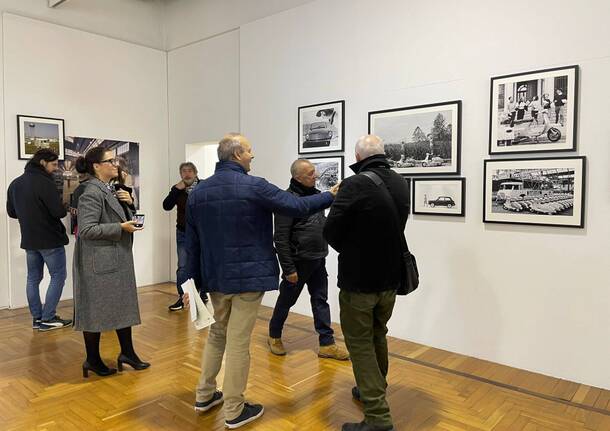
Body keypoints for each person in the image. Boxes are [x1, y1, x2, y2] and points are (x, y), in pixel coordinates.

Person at [186, 133, 337, 429]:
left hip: (215, 277)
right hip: (247, 279)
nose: (253, 156)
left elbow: (191, 244)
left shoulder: (199, 191)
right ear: (238, 154)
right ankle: (234, 409)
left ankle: (204, 395)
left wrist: (189, 283)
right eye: (250, 151)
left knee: (217, 335)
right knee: (239, 343)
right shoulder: (253, 185)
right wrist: (331, 195)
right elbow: (297, 207)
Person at [324, 135, 410, 431]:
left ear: (358, 158)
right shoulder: (400, 181)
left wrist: (354, 247)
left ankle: (378, 418)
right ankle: (373, 388)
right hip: (390, 278)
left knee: (359, 344)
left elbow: (331, 231)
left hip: (359, 281)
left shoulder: (354, 184)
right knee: (377, 334)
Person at [73, 147, 149, 378]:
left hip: (114, 258)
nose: (116, 164)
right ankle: (92, 360)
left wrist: (130, 202)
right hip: (99, 262)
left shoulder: (112, 189)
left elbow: (122, 217)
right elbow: (86, 229)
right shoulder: (91, 193)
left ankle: (127, 353)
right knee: (94, 310)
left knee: (121, 305)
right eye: (110, 161)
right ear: (96, 166)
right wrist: (120, 228)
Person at [268, 159, 349, 360]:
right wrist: (288, 269)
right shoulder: (286, 200)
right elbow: (280, 237)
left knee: (321, 300)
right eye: (311, 174)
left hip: (318, 259)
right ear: (297, 177)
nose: (316, 176)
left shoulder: (316, 196)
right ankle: (274, 335)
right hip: (297, 262)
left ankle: (327, 344)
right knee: (286, 300)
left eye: (315, 172)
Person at [6, 149, 72, 331]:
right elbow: (58, 212)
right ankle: (48, 318)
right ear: (42, 162)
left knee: (33, 278)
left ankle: (37, 319)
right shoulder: (45, 183)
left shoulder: (15, 184)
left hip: (29, 239)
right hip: (50, 239)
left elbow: (12, 212)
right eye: (53, 164)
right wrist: (64, 206)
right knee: (58, 276)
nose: (56, 168)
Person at [162, 162, 200, 311]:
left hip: (201, 233)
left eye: (190, 171)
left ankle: (200, 294)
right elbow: (166, 206)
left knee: (201, 263)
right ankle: (182, 297)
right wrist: (176, 190)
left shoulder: (204, 187)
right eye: (183, 171)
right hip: (183, 232)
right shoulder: (177, 190)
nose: (187, 174)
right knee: (183, 266)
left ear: (196, 173)